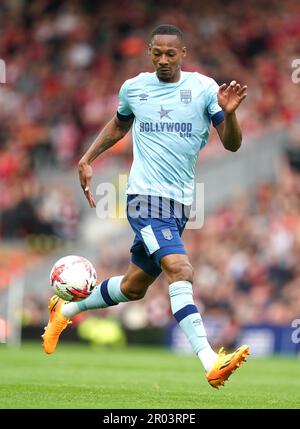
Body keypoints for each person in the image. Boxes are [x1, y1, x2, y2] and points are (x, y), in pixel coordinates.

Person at [42, 24, 249, 388]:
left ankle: (66, 309)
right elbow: (119, 125)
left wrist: (229, 114)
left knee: (135, 287)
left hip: (180, 205)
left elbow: (232, 145)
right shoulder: (134, 88)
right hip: (144, 200)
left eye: (171, 53)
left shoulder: (203, 88)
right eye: (157, 53)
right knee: (180, 269)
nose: (164, 60)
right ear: (150, 52)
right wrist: (88, 157)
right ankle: (209, 361)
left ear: (183, 54)